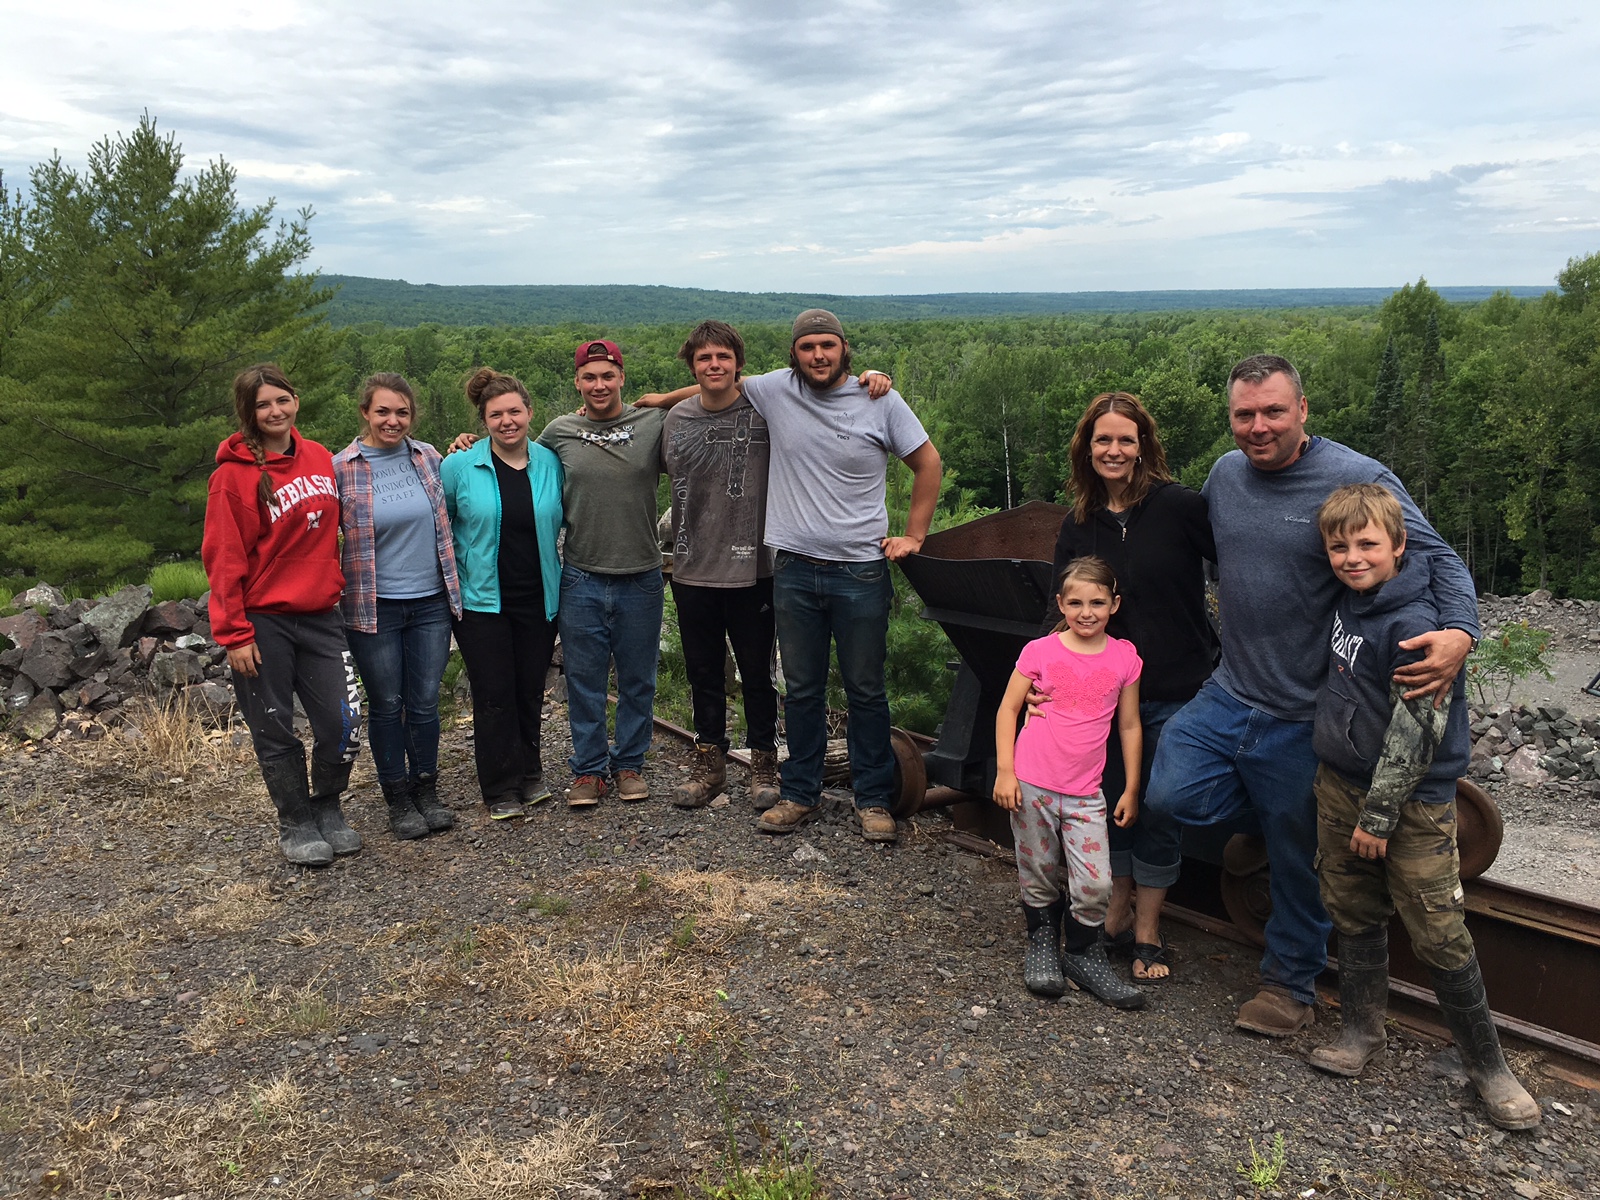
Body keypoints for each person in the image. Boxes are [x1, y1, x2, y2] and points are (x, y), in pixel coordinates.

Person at [1143, 354, 1479, 1037]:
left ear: (1302, 410)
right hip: (1230, 689)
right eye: (1244, 414)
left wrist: (1462, 633)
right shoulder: (1225, 475)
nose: (1258, 427)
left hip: (1309, 708)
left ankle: (1289, 985)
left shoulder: (1356, 477)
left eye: (1273, 411)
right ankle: (1262, 822)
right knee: (1168, 793)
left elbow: (1436, 556)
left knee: (1303, 855)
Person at [643, 309, 939, 843]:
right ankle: (799, 793)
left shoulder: (880, 399)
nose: (818, 355)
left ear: (844, 349)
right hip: (794, 568)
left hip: (860, 568)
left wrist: (914, 535)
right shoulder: (777, 390)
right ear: (794, 354)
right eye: (807, 347)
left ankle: (872, 799)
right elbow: (717, 378)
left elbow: (928, 463)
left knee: (865, 689)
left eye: (828, 345)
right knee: (801, 689)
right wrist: (661, 400)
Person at [1306, 484, 1539, 1129]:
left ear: (1400, 547)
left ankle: (1488, 1066)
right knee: (1350, 907)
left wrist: (1378, 818)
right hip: (1340, 782)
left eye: (1367, 545)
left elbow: (1417, 732)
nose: (1352, 557)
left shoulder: (1414, 627)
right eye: (1339, 546)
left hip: (1407, 805)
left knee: (1437, 928)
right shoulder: (1351, 605)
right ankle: (1361, 1033)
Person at [1049, 393, 1217, 982]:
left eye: (1126, 439)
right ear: (1086, 449)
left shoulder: (1181, 508)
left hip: (1179, 688)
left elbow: (1240, 572)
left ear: (1144, 445)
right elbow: (1061, 611)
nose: (1114, 450)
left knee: (1160, 806)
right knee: (1113, 805)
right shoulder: (1078, 525)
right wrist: (1043, 681)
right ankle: (1115, 909)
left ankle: (1147, 927)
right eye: (1103, 440)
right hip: (1105, 697)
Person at [202, 363, 362, 866]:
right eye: (262, 405)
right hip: (263, 621)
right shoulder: (232, 477)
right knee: (274, 725)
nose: (275, 411)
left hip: (321, 614)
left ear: (296, 400)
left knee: (345, 720)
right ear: (249, 414)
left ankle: (328, 807)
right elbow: (223, 558)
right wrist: (234, 633)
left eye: (281, 400)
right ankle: (295, 820)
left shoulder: (318, 456)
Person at [993, 556, 1146, 1010]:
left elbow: (1130, 725)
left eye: (1097, 602)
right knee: (1038, 867)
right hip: (1033, 783)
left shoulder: (1124, 657)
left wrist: (1131, 787)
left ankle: (1083, 951)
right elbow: (1007, 709)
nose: (1086, 612)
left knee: (1096, 881)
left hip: (1085, 792)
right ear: (1060, 603)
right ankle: (1042, 939)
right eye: (1075, 602)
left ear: (1114, 604)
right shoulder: (1040, 651)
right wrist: (1005, 771)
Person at [333, 373, 463, 839]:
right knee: (387, 704)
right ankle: (397, 798)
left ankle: (426, 788)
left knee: (425, 703)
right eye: (383, 411)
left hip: (431, 600)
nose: (393, 420)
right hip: (374, 606)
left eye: (402, 412)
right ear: (365, 413)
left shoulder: (428, 457)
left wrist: (467, 441)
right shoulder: (340, 467)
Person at [539, 341, 667, 807]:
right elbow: (513, 462)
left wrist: (665, 397)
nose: (598, 385)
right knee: (585, 680)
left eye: (607, 376)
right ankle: (589, 771)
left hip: (641, 576)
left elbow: (722, 393)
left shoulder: (652, 423)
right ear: (576, 381)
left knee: (638, 678)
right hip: (582, 576)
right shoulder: (559, 431)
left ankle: (630, 764)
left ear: (621, 378)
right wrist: (466, 446)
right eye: (589, 377)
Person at [660, 320, 781, 809]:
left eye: (723, 357)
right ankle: (709, 764)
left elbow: (816, 384)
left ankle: (763, 765)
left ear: (738, 364)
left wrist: (871, 378)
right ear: (694, 365)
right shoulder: (675, 421)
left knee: (757, 673)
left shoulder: (768, 411)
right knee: (703, 672)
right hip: (691, 568)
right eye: (704, 358)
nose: (714, 366)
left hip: (757, 569)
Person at [440, 368, 564, 819]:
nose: (507, 421)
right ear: (483, 419)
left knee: (530, 689)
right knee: (494, 694)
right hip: (481, 602)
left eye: (515, 411)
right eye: (496, 414)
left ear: (530, 413)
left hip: (539, 597)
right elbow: (442, 527)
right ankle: (500, 788)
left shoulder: (550, 462)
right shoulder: (458, 466)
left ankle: (530, 773)